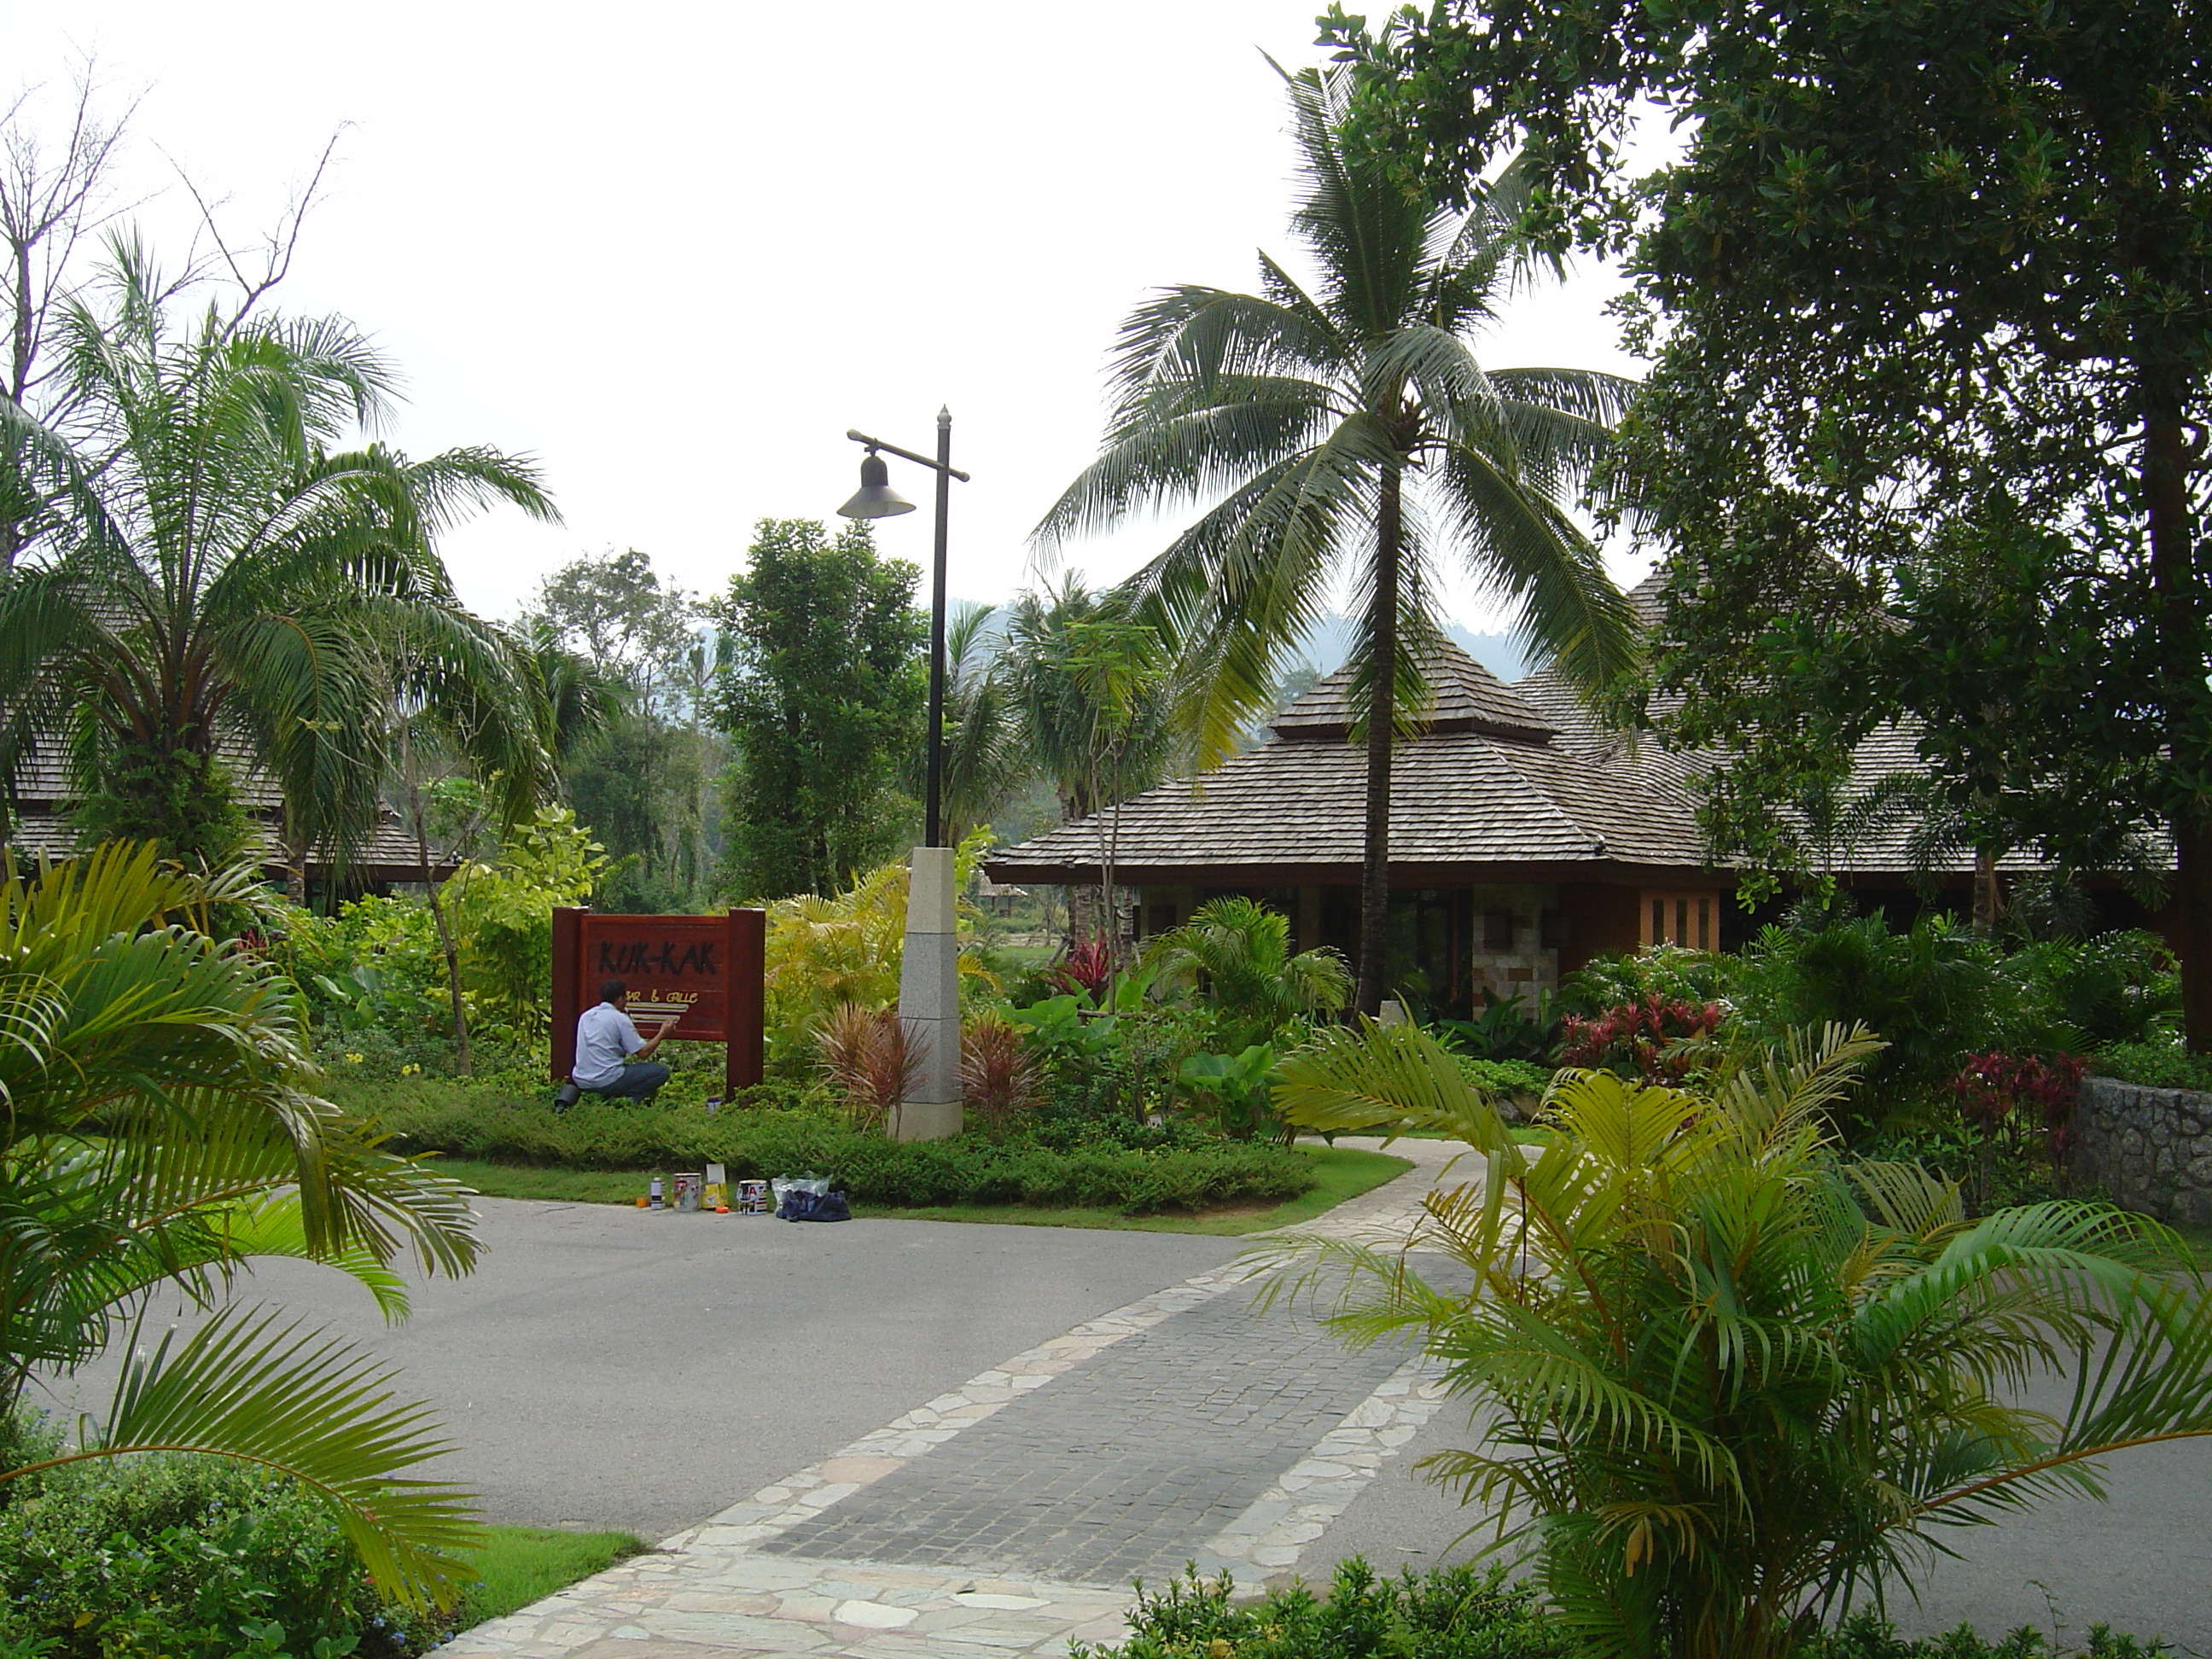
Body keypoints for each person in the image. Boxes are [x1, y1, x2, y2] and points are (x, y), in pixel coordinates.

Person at [568, 978, 675, 1101]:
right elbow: (643, 1053)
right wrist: (662, 1033)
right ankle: (626, 1101)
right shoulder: (619, 1018)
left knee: (626, 1069)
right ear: (620, 999)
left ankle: (607, 1100)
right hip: (606, 1079)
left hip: (581, 1079)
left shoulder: (586, 1016)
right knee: (660, 1072)